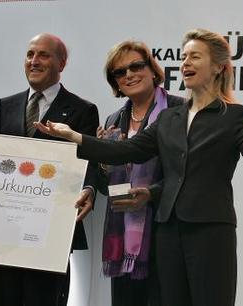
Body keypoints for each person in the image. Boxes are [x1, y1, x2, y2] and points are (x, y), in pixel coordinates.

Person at [34, 28, 243, 306]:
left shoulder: (235, 115)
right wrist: (75, 136)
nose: (185, 63)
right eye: (184, 57)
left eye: (195, 57)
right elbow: (127, 150)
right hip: (167, 230)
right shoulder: (169, 117)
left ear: (219, 67)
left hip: (210, 230)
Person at [0, 33, 99, 306]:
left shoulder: (82, 110)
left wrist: (89, 188)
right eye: (30, 54)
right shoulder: (6, 105)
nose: (34, 61)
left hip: (50, 233)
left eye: (43, 55)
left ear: (61, 64)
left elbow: (89, 160)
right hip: (5, 232)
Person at [95, 40, 183, 306]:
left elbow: (188, 173)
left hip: (167, 230)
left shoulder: (180, 110)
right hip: (122, 236)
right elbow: (104, 186)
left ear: (152, 68)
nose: (129, 74)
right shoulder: (113, 120)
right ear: (115, 82)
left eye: (136, 66)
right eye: (120, 72)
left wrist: (150, 194)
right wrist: (102, 160)